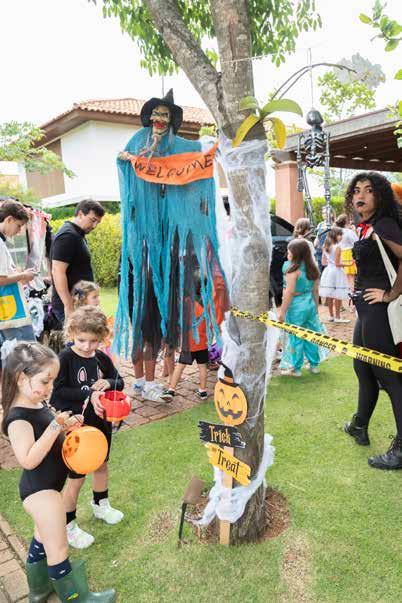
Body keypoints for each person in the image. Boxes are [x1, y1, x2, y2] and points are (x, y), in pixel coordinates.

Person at [1, 342, 115, 601]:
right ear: (21, 379)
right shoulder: (18, 418)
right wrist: (55, 427)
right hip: (41, 492)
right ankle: (79, 599)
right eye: (45, 381)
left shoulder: (36, 403)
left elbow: (48, 437)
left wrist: (66, 426)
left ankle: (39, 590)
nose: (50, 388)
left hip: (48, 487)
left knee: (42, 537)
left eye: (52, 381)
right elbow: (28, 459)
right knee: (59, 548)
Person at [50, 306, 124, 549]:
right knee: (76, 478)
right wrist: (89, 392)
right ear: (72, 333)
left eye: (93, 341)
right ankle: (68, 526)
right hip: (76, 427)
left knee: (101, 465)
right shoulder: (65, 359)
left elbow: (120, 381)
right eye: (81, 340)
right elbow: (57, 393)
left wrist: (109, 382)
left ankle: (101, 505)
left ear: (101, 338)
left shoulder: (101, 358)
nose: (86, 346)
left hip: (100, 423)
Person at [343, 172, 402, 470]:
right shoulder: (368, 227)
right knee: (362, 368)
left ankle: (401, 449)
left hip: (379, 312)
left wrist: (391, 293)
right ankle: (359, 425)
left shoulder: (383, 224)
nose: (360, 195)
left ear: (379, 196)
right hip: (366, 311)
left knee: (390, 378)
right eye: (356, 190)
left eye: (368, 190)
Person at [161, 277, 221, 401]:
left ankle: (171, 389)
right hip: (202, 344)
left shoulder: (187, 302)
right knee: (202, 367)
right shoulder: (208, 304)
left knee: (180, 366)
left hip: (189, 344)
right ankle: (203, 391)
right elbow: (211, 324)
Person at [50, 199, 105, 324]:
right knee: (78, 337)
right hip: (72, 305)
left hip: (81, 304)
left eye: (98, 222)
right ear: (80, 214)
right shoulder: (68, 235)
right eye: (93, 220)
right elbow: (57, 271)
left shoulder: (77, 234)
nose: (94, 226)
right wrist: (68, 305)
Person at [278, 239, 324, 377]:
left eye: (289, 252)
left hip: (296, 306)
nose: (287, 254)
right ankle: (314, 365)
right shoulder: (313, 268)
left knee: (296, 337)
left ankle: (296, 368)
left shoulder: (292, 270)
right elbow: (315, 291)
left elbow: (289, 292)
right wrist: (315, 308)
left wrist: (282, 312)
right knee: (312, 335)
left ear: (296, 254)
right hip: (309, 304)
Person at [0, 200, 36, 367]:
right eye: (19, 225)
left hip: (7, 307)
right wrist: (23, 275)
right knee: (25, 352)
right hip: (8, 308)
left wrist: (17, 274)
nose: (19, 230)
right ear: (9, 219)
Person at [318, 227, 350, 324]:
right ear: (335, 235)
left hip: (328, 271)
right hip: (337, 272)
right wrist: (348, 264)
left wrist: (330, 262)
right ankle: (338, 316)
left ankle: (331, 316)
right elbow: (337, 264)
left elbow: (323, 262)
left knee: (330, 294)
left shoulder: (325, 246)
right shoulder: (337, 247)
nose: (342, 237)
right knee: (338, 294)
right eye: (340, 235)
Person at [335, 213, 358, 304]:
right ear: (346, 222)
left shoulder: (338, 232)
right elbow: (356, 242)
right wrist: (354, 231)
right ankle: (353, 299)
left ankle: (350, 298)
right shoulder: (348, 232)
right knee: (352, 278)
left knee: (348, 278)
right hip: (349, 254)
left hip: (342, 254)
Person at [314, 206, 335, 272]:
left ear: (331, 214)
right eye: (323, 213)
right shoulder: (320, 224)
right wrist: (315, 246)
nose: (324, 214)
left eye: (325, 213)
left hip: (330, 252)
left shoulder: (334, 225)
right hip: (319, 252)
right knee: (320, 272)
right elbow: (317, 238)